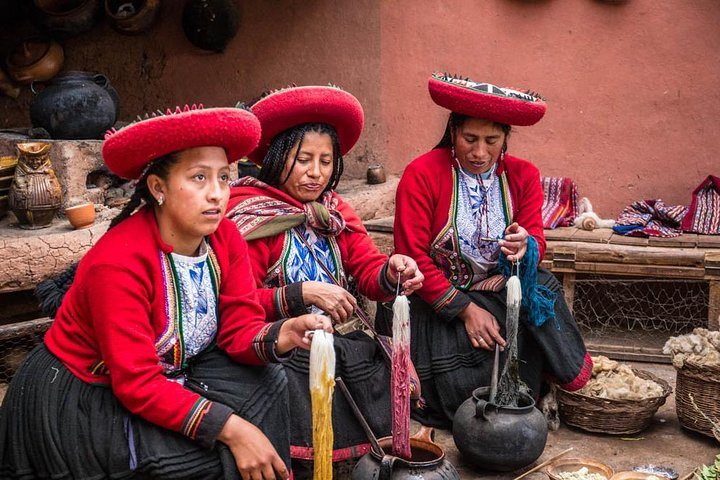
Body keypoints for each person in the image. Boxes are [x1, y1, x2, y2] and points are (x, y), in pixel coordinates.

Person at [0, 104, 333, 480]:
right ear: (158, 188)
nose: (217, 195)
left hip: (173, 372)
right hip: (90, 394)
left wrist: (282, 333)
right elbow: (137, 383)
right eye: (198, 178)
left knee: (272, 380)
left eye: (224, 178)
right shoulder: (119, 263)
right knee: (198, 462)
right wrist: (233, 429)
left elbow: (239, 327)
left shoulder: (224, 239)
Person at [225, 85, 424, 478]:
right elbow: (238, 303)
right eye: (303, 160)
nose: (316, 173)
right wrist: (300, 294)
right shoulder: (252, 216)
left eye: (326, 161)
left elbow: (367, 270)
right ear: (278, 158)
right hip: (286, 342)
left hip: (340, 339)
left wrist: (393, 270)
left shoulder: (335, 213)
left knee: (368, 363)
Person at [378, 73, 593, 429]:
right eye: (470, 138)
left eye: (492, 140)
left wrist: (525, 245)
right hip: (434, 301)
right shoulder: (422, 174)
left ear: (506, 138)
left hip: (494, 290)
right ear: (452, 133)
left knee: (542, 286)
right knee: (462, 378)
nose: (480, 152)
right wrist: (465, 311)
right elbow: (412, 259)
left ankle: (566, 377)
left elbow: (537, 239)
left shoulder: (523, 176)